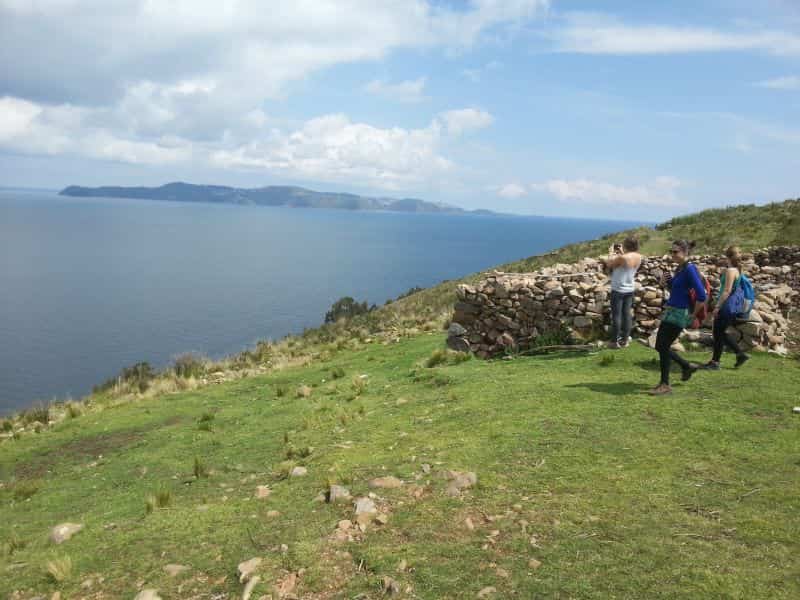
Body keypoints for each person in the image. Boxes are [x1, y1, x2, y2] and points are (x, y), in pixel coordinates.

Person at [651, 240, 707, 395]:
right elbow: (677, 290)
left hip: (679, 313)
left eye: (675, 252)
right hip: (671, 310)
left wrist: (693, 314)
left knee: (662, 346)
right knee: (661, 346)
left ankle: (666, 383)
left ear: (685, 252)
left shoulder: (690, 269)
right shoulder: (680, 268)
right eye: (671, 251)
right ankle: (684, 368)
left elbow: (702, 295)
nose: (672, 254)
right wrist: (665, 283)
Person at [703, 246, 750, 370]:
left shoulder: (730, 271)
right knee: (719, 333)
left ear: (727, 257)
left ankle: (721, 360)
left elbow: (727, 291)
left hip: (726, 306)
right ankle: (731, 357)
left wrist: (717, 306)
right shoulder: (738, 270)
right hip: (732, 307)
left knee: (719, 332)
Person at [606, 236, 642, 348]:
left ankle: (613, 342)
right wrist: (622, 252)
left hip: (618, 289)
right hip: (629, 289)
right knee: (627, 315)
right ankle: (625, 340)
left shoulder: (623, 258)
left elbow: (609, 264)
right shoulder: (638, 256)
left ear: (626, 245)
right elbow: (627, 264)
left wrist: (610, 252)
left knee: (616, 316)